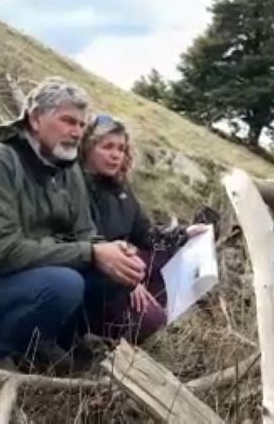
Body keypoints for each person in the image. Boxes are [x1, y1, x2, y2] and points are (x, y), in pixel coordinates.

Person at [0, 77, 147, 362]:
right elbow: (3, 253)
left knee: (118, 273)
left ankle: (53, 339)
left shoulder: (68, 168)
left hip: (31, 277)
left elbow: (86, 233)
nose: (76, 132)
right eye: (67, 121)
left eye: (81, 125)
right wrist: (91, 252)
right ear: (36, 119)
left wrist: (113, 253)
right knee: (63, 284)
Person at [78, 114, 208, 343]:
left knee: (178, 256)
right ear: (88, 148)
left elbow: (146, 234)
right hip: (96, 276)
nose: (116, 154)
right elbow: (85, 239)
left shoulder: (121, 188)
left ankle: (154, 303)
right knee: (153, 321)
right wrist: (127, 281)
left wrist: (184, 233)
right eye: (107, 146)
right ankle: (96, 337)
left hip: (126, 265)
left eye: (121, 148)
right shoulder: (75, 184)